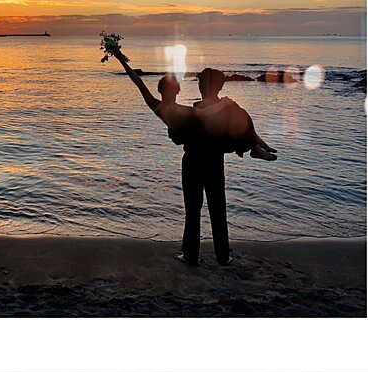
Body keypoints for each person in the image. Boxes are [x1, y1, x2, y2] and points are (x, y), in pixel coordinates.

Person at [111, 50, 276, 267]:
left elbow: (137, 82)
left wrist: (121, 59)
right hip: (214, 161)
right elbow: (205, 116)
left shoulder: (157, 106)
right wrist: (224, 103)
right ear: (177, 90)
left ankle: (190, 255)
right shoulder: (187, 110)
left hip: (192, 162)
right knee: (217, 208)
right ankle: (223, 256)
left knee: (193, 209)